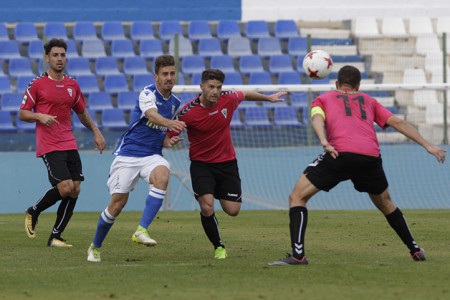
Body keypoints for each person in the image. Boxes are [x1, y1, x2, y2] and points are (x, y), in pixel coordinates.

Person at [268, 65, 446, 266]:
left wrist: (324, 141)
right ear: (358, 85)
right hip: (370, 157)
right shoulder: (370, 101)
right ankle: (414, 249)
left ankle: (298, 255)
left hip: (340, 154)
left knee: (297, 197)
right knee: (386, 203)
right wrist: (428, 145)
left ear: (337, 83)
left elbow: (317, 119)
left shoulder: (323, 99)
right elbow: (398, 122)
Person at [168, 69, 286, 259]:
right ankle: (219, 246)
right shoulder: (187, 113)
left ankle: (212, 192)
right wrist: (168, 142)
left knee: (232, 210)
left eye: (218, 87)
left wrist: (268, 98)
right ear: (202, 87)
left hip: (227, 164)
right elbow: (169, 133)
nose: (215, 91)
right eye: (211, 87)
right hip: (201, 165)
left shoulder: (228, 98)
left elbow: (245, 93)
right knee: (207, 207)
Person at [87, 55, 186, 262]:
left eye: (172, 73)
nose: (169, 78)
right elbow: (151, 115)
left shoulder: (175, 103)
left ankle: (141, 230)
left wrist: (168, 141)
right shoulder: (147, 93)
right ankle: (95, 246)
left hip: (151, 155)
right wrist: (169, 124)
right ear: (156, 76)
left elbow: (162, 134)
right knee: (116, 205)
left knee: (163, 176)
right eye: (165, 74)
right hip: (129, 155)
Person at [21, 38, 106, 248]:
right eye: (55, 55)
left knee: (75, 189)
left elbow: (82, 112)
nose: (60, 59)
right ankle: (33, 211)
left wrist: (96, 131)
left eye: (63, 55)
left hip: (69, 142)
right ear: (47, 58)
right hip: (49, 144)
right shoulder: (37, 84)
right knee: (65, 186)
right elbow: (23, 113)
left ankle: (55, 236)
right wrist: (40, 117)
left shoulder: (72, 85)